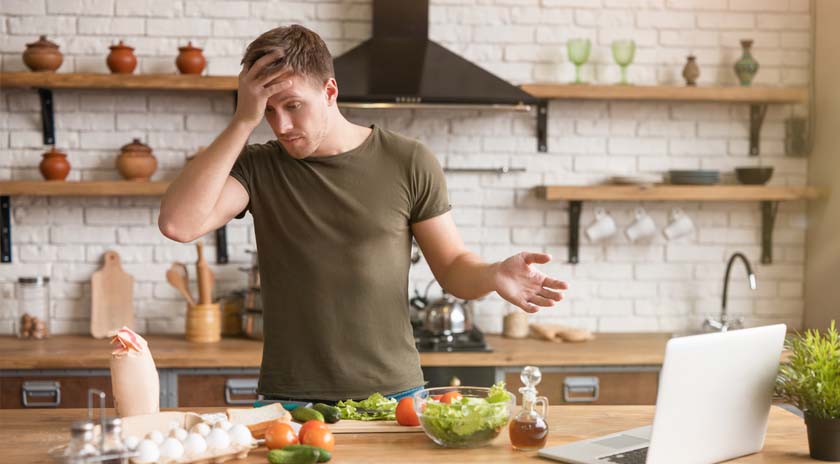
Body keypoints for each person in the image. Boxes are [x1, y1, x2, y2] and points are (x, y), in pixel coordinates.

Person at [158, 25, 568, 403]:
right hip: (291, 397)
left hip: (395, 394)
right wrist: (243, 119)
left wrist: (493, 274)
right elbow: (179, 224)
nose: (280, 126)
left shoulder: (408, 160)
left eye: (293, 105)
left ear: (330, 91)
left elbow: (454, 265)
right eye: (268, 111)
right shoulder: (258, 166)